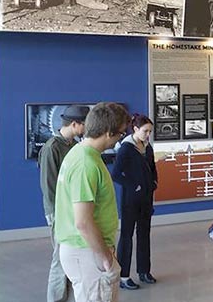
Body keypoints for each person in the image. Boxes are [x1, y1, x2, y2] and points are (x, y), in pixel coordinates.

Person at [54, 102, 130, 302]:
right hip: (88, 253)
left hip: (85, 251)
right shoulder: (86, 163)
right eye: (120, 134)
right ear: (107, 132)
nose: (119, 140)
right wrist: (106, 259)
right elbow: (83, 222)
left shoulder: (81, 154)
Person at [39, 105, 90, 302]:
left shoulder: (73, 145)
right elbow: (49, 186)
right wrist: (58, 215)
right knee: (60, 259)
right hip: (58, 213)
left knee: (70, 257)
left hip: (71, 211)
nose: (87, 129)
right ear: (75, 124)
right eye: (85, 124)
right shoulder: (52, 147)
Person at [111, 114, 159, 290]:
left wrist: (154, 182)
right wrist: (134, 186)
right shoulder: (126, 149)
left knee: (144, 235)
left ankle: (144, 271)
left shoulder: (148, 147)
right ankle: (123, 277)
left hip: (146, 200)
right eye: (146, 131)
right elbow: (115, 174)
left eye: (150, 132)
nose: (148, 135)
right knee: (127, 237)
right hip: (131, 201)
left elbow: (153, 168)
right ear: (135, 129)